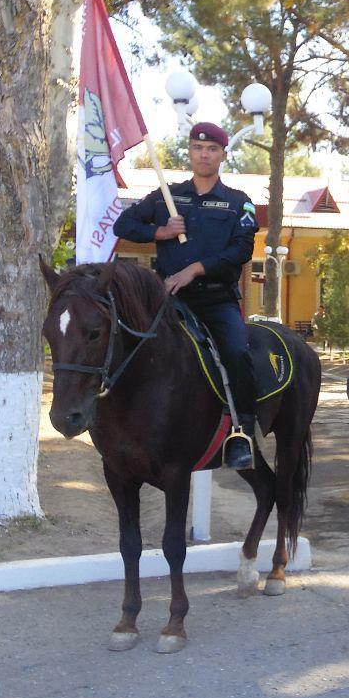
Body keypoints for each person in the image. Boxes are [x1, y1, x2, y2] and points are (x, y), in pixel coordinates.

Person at [113, 121, 259, 469]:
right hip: (169, 300)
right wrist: (159, 231)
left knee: (237, 353)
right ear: (189, 152)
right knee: (128, 344)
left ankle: (242, 434)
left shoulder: (239, 203)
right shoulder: (168, 196)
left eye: (211, 149)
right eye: (197, 147)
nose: (203, 154)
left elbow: (241, 250)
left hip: (215, 300)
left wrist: (194, 269)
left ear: (223, 154)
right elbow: (123, 225)